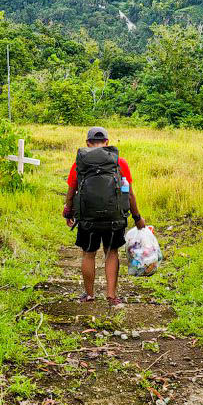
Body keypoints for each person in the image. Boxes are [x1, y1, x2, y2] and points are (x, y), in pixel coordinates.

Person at [63, 126, 145, 307]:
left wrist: (68, 211)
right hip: (114, 218)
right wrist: (137, 217)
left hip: (88, 219)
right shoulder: (119, 162)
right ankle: (111, 296)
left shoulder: (79, 163)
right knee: (111, 253)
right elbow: (129, 193)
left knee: (88, 254)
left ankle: (90, 295)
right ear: (107, 142)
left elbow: (71, 190)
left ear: (87, 143)